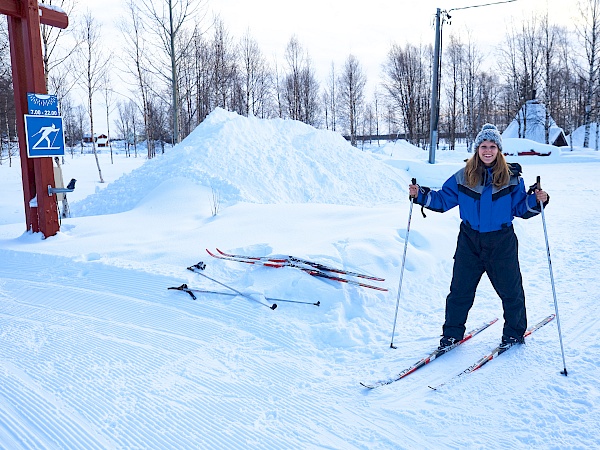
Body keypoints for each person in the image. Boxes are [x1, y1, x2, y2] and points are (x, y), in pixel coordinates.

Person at [408, 123, 549, 352]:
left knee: (511, 292)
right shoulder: (463, 176)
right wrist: (421, 196)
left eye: (493, 146)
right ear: (477, 149)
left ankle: (513, 334)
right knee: (459, 292)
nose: (488, 150)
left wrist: (536, 200)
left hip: (501, 241)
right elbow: (442, 201)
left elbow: (521, 209)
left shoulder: (512, 177)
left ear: (499, 149)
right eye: (484, 145)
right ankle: (452, 336)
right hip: (470, 241)